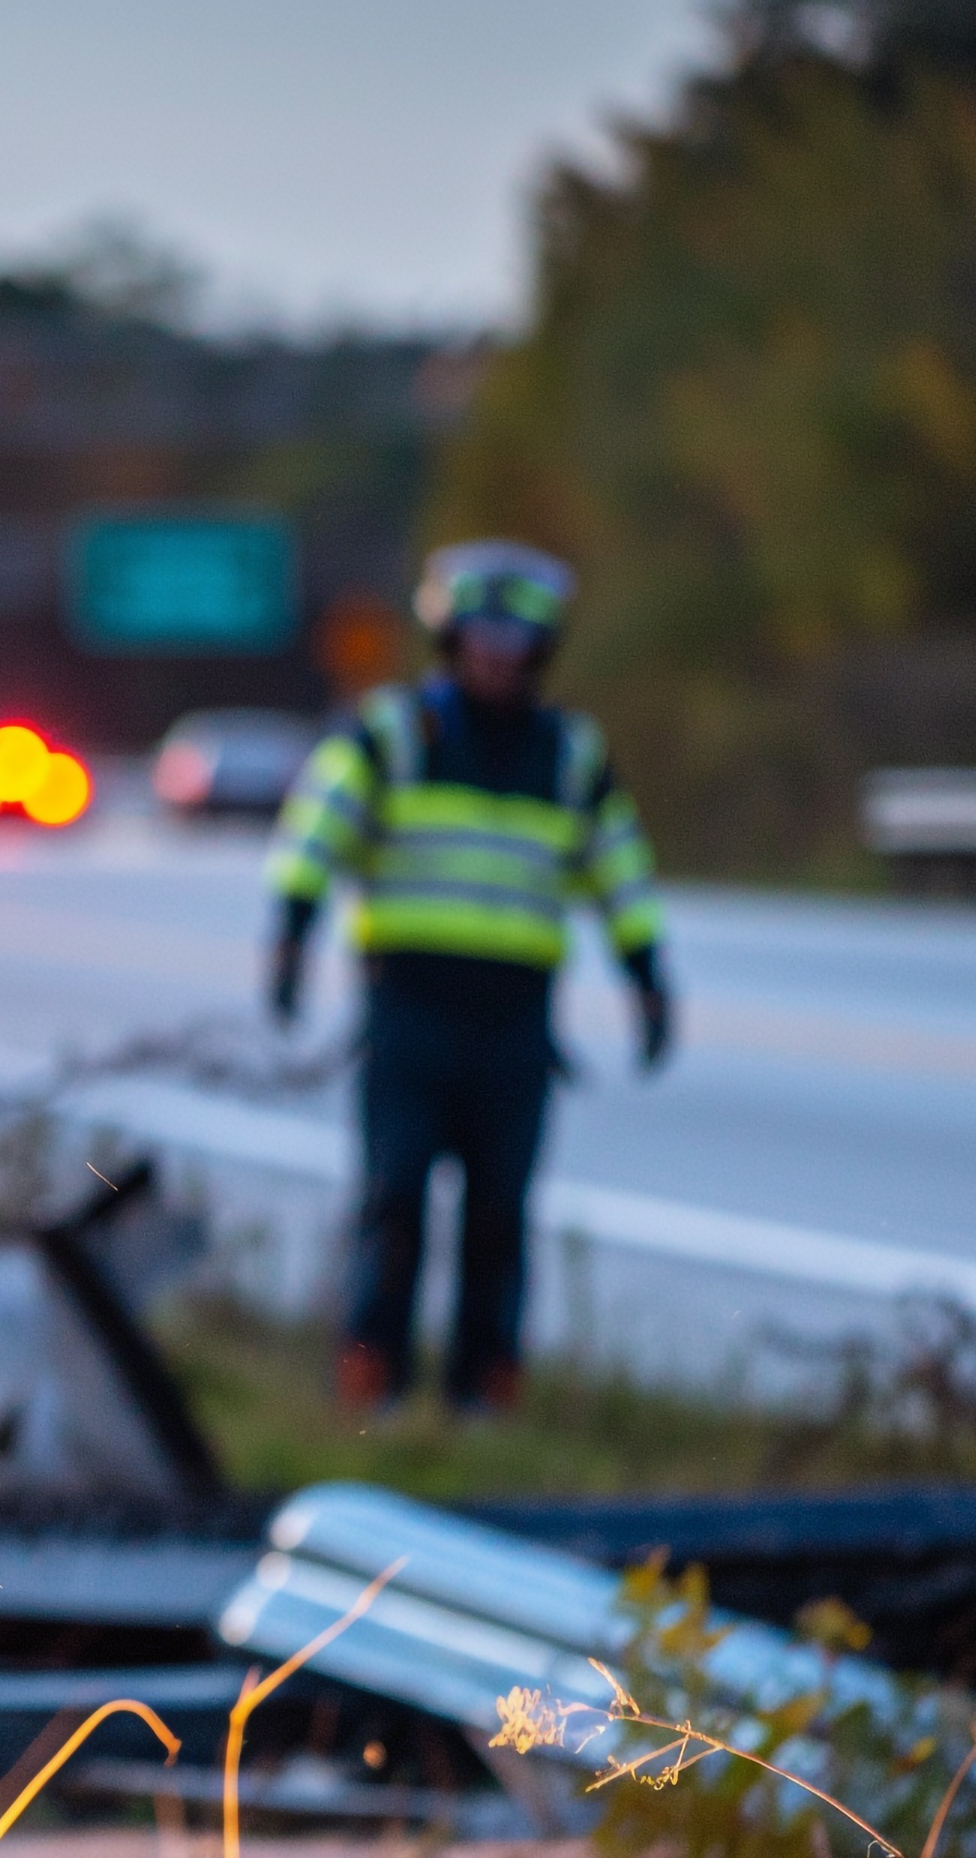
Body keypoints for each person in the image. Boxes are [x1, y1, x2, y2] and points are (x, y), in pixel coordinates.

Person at [265, 540, 671, 1415]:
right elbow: (316, 835)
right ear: (449, 641)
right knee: (394, 1199)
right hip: (408, 1012)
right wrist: (290, 940)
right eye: (481, 638)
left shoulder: (571, 754)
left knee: (499, 1215)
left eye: (514, 640)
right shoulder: (392, 735)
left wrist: (648, 979)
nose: (495, 656)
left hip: (515, 1025)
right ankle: (371, 1375)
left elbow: (620, 873)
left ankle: (485, 1390)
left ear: (540, 650)